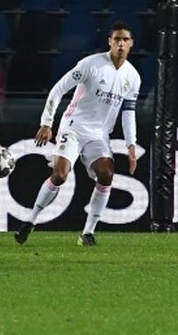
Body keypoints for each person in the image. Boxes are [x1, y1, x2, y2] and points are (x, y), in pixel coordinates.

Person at [14, 21, 141, 247]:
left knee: (107, 175)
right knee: (61, 175)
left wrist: (131, 145)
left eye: (125, 40)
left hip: (99, 135)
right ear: (109, 41)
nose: (121, 43)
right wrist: (46, 122)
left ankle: (88, 232)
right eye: (117, 39)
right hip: (74, 127)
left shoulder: (133, 77)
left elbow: (128, 112)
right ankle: (30, 220)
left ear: (131, 44)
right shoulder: (91, 64)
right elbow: (58, 89)